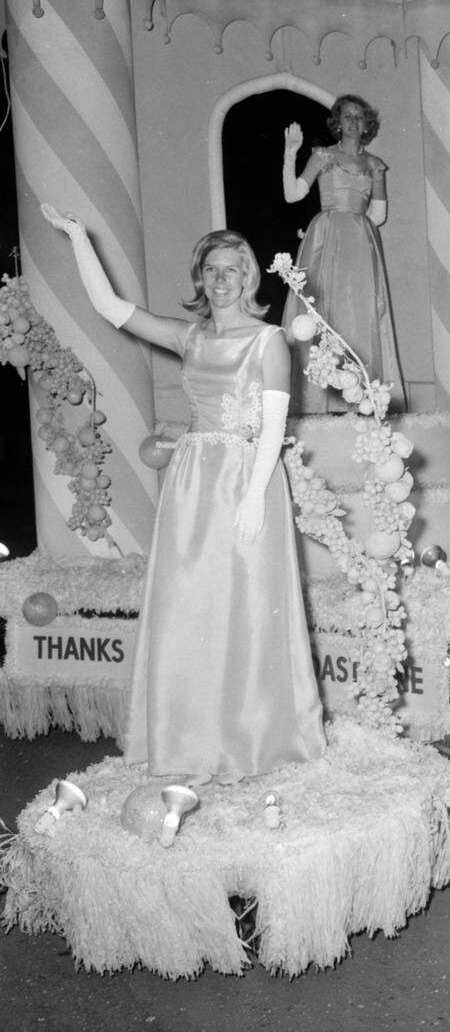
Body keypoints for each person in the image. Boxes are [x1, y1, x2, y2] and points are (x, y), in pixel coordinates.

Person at [42, 206, 327, 785]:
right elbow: (111, 309)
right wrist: (78, 239)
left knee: (245, 603)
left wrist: (253, 498)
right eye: (212, 269)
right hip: (195, 479)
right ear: (202, 279)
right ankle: (185, 738)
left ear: (249, 277)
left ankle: (253, 737)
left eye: (233, 269)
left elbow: (273, 428)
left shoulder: (270, 341)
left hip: (248, 479)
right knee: (188, 605)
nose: (222, 278)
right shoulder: (189, 336)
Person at [282, 94, 405, 413]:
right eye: (347, 116)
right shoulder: (323, 156)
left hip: (359, 244)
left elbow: (379, 214)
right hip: (325, 237)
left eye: (359, 117)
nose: (353, 121)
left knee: (359, 313)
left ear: (367, 125)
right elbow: (293, 194)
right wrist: (290, 153)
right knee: (321, 310)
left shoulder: (375, 165)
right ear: (337, 122)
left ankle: (361, 397)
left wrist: (358, 229)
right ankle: (314, 400)